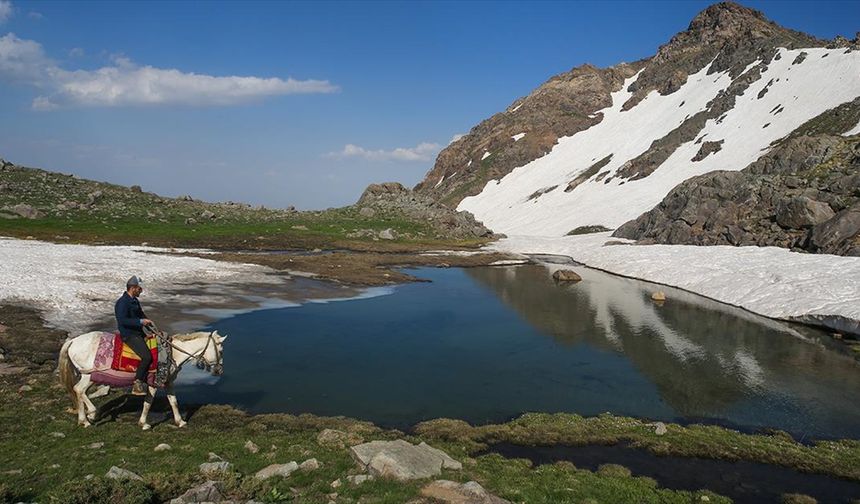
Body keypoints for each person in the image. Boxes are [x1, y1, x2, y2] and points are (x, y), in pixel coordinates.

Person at [115, 275, 153, 395]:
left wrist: (149, 324)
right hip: (129, 335)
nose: (140, 291)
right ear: (133, 288)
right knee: (147, 357)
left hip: (138, 333)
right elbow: (122, 320)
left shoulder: (134, 301)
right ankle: (137, 382)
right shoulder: (122, 302)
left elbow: (140, 314)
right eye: (139, 289)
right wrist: (140, 322)